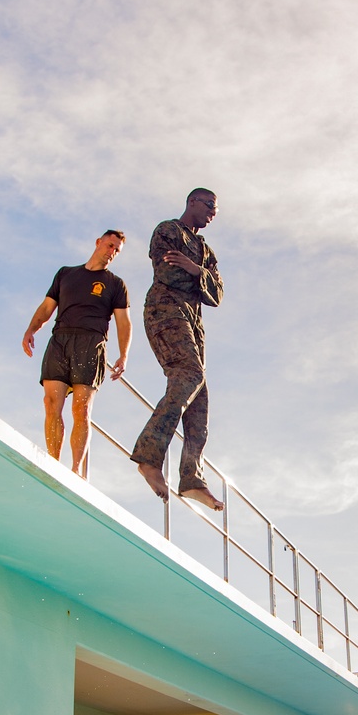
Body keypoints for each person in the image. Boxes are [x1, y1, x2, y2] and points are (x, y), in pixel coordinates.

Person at [130, 189, 223, 510]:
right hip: (164, 311)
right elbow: (167, 273)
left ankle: (192, 479)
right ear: (193, 202)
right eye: (210, 205)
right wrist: (198, 277)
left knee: (200, 396)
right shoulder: (168, 230)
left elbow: (217, 295)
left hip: (193, 322)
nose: (213, 212)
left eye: (216, 209)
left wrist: (196, 269)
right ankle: (149, 457)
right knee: (189, 376)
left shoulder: (205, 251)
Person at [22, 230, 131, 476]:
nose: (112, 252)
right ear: (98, 242)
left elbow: (124, 322)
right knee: (51, 403)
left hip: (91, 343)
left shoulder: (115, 284)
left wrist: (123, 355)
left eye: (117, 250)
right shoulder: (66, 274)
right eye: (110, 245)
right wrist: (31, 329)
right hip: (60, 340)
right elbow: (47, 307)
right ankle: (53, 463)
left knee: (81, 408)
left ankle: (74, 470)